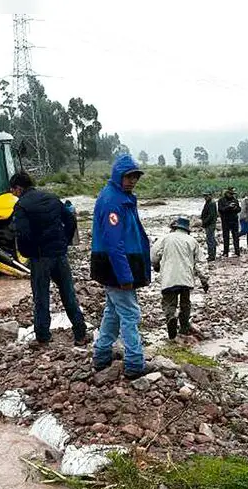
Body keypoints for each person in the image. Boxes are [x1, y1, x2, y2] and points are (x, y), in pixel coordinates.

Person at [91, 154, 152, 379]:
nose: (132, 181)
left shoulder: (122, 197)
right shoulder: (112, 201)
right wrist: (125, 276)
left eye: (135, 177)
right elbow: (114, 243)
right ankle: (135, 362)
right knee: (130, 313)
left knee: (113, 312)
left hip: (119, 264)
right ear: (118, 175)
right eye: (128, 177)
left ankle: (102, 355)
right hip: (116, 265)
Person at [11, 172, 87, 347]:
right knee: (68, 293)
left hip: (40, 257)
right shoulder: (52, 197)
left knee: (41, 297)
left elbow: (22, 233)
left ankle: (43, 337)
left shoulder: (22, 206)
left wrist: (29, 253)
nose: (13, 193)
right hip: (59, 254)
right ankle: (80, 334)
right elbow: (70, 220)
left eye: (13, 189)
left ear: (19, 188)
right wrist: (65, 242)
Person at [151, 217, 209, 340]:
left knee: (169, 303)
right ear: (187, 230)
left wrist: (156, 266)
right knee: (185, 303)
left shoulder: (165, 239)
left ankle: (171, 317)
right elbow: (200, 262)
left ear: (175, 227)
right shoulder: (192, 241)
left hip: (169, 278)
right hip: (186, 278)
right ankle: (183, 326)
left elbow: (154, 255)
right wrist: (204, 280)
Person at [217, 187, 241, 257]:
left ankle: (237, 251)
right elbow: (220, 210)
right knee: (226, 237)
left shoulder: (235, 200)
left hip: (234, 220)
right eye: (230, 194)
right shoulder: (221, 200)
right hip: (225, 221)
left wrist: (236, 208)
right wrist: (228, 207)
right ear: (226, 193)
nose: (232, 195)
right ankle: (225, 252)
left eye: (232, 194)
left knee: (236, 237)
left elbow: (239, 209)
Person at [200, 191, 219, 261]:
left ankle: (211, 256)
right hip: (210, 224)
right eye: (204, 196)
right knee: (211, 239)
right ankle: (212, 255)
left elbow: (211, 216)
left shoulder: (211, 203)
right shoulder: (209, 202)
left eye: (206, 196)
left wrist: (204, 222)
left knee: (210, 240)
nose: (205, 197)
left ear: (210, 196)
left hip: (210, 224)